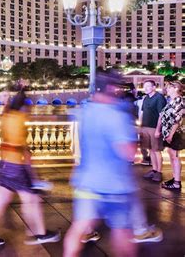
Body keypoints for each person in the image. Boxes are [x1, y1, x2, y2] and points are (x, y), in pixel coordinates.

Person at [63, 72, 138, 257]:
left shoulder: (84, 111)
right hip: (114, 186)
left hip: (86, 181)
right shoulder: (116, 116)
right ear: (112, 88)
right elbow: (128, 153)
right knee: (122, 231)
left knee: (79, 228)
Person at [0, 93, 60, 246]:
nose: (29, 110)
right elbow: (23, 149)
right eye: (28, 107)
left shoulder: (7, 115)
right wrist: (33, 175)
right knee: (32, 199)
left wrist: (9, 100)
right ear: (23, 107)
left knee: (0, 200)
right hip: (17, 166)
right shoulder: (19, 119)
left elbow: (7, 110)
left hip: (4, 164)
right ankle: (39, 233)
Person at [156, 81, 184, 190]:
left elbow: (177, 120)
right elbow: (163, 116)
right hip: (168, 133)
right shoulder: (171, 101)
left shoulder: (179, 101)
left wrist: (171, 135)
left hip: (176, 133)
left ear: (176, 88)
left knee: (175, 156)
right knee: (172, 155)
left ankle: (177, 183)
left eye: (169, 88)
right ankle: (175, 178)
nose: (166, 89)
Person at [141, 80, 167, 182]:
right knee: (150, 149)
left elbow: (161, 115)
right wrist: (141, 126)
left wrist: (158, 129)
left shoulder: (159, 98)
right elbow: (143, 113)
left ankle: (159, 172)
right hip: (146, 127)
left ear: (154, 87)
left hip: (154, 128)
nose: (146, 88)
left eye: (148, 86)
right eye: (144, 86)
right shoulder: (146, 98)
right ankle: (154, 170)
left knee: (156, 150)